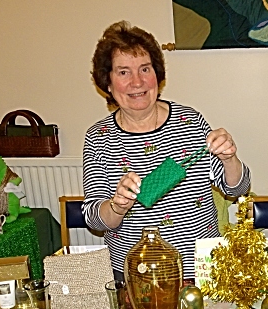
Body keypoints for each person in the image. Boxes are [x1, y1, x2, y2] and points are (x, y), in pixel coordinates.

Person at [83, 21, 251, 279]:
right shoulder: (98, 138)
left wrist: (230, 159)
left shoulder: (190, 121)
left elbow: (237, 189)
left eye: (145, 69)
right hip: (137, 273)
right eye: (123, 72)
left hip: (201, 268)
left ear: (157, 76)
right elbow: (95, 220)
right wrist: (117, 206)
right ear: (107, 83)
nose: (137, 82)